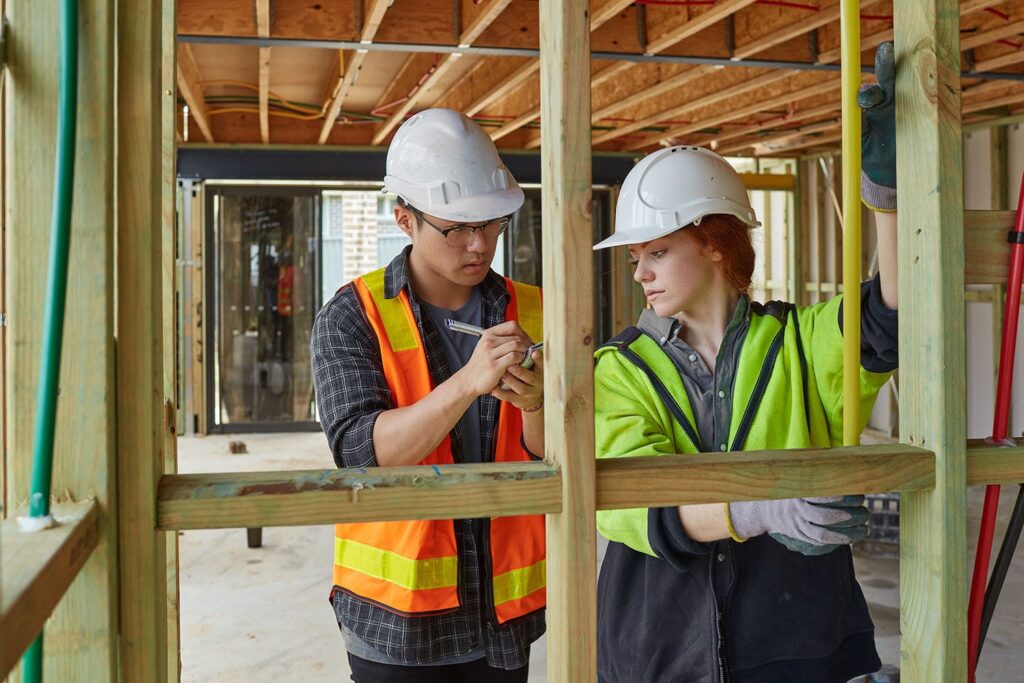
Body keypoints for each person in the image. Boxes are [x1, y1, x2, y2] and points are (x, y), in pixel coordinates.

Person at [591, 45, 899, 682]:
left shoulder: (797, 341)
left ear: (711, 242)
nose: (640, 271)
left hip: (793, 642)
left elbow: (888, 317)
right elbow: (633, 503)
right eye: (635, 258)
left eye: (656, 250)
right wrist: (763, 509)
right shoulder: (619, 368)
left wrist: (888, 202)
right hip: (662, 647)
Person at [310, 108, 546, 682]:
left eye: (491, 223)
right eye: (457, 227)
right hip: (398, 617)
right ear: (404, 219)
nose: (479, 243)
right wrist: (468, 381)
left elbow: (552, 451)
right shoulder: (351, 316)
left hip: (502, 607)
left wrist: (537, 404)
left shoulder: (536, 309)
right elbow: (362, 454)